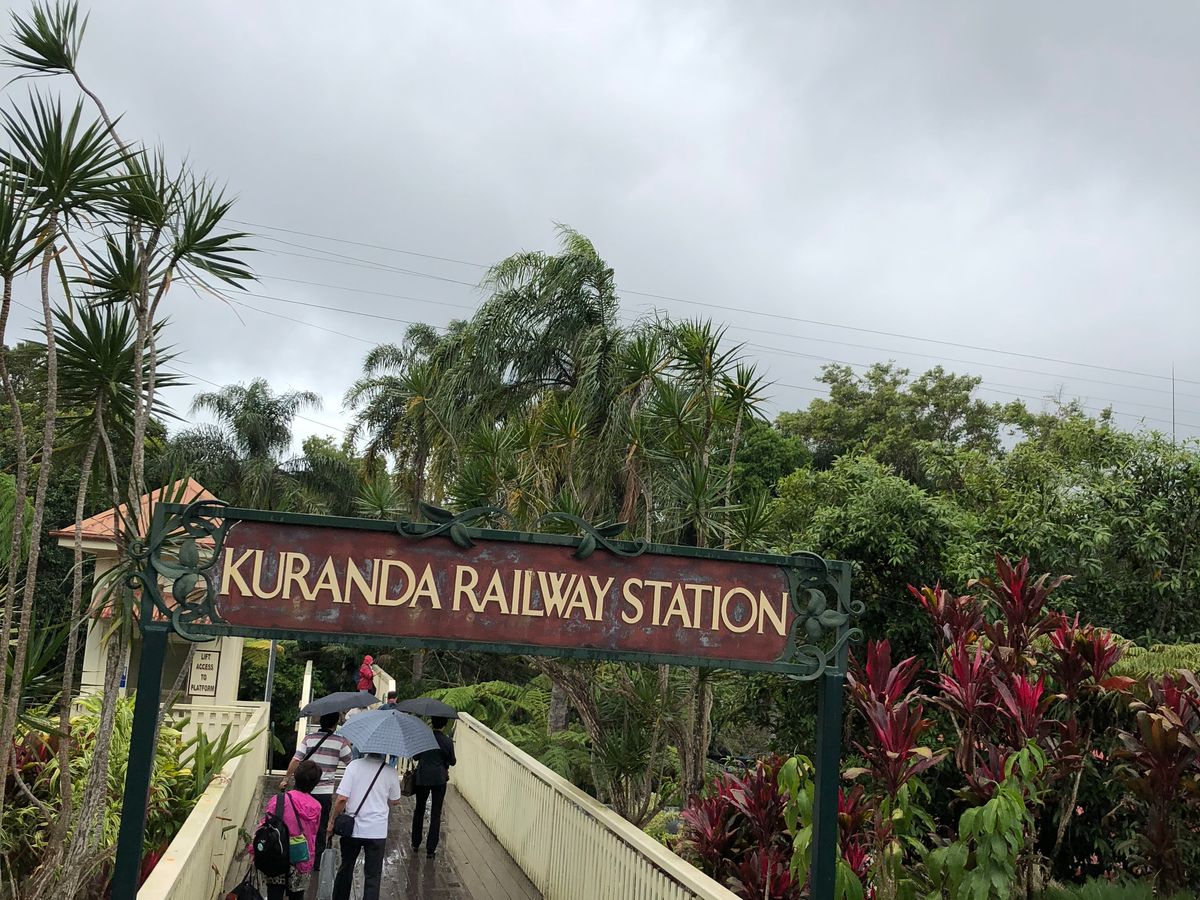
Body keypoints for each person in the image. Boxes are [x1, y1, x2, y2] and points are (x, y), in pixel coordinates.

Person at [281, 712, 352, 869]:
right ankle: (316, 862)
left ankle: (296, 857)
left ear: (320, 721)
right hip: (324, 792)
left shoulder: (308, 738)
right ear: (335, 723)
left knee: (297, 822)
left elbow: (296, 759)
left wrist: (286, 778)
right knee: (321, 827)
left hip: (303, 789)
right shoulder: (340, 742)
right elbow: (351, 763)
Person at [328, 752, 402, 900]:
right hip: (377, 831)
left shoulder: (353, 766)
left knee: (346, 868)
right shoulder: (390, 771)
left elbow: (342, 799)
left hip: (352, 829)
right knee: (373, 876)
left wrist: (332, 821)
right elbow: (395, 800)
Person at [256, 760, 322, 900]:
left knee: (274, 893)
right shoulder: (316, 807)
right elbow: (313, 834)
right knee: (297, 896)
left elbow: (265, 825)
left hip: (277, 853)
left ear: (295, 776)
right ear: (315, 783)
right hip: (301, 858)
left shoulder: (278, 800)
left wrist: (254, 850)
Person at [410, 716, 456, 858]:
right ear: (444, 725)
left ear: (432, 722)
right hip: (439, 779)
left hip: (423, 777)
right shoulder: (447, 741)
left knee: (419, 809)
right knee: (436, 813)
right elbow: (452, 761)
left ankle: (415, 842)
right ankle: (431, 848)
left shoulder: (424, 738)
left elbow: (416, 757)